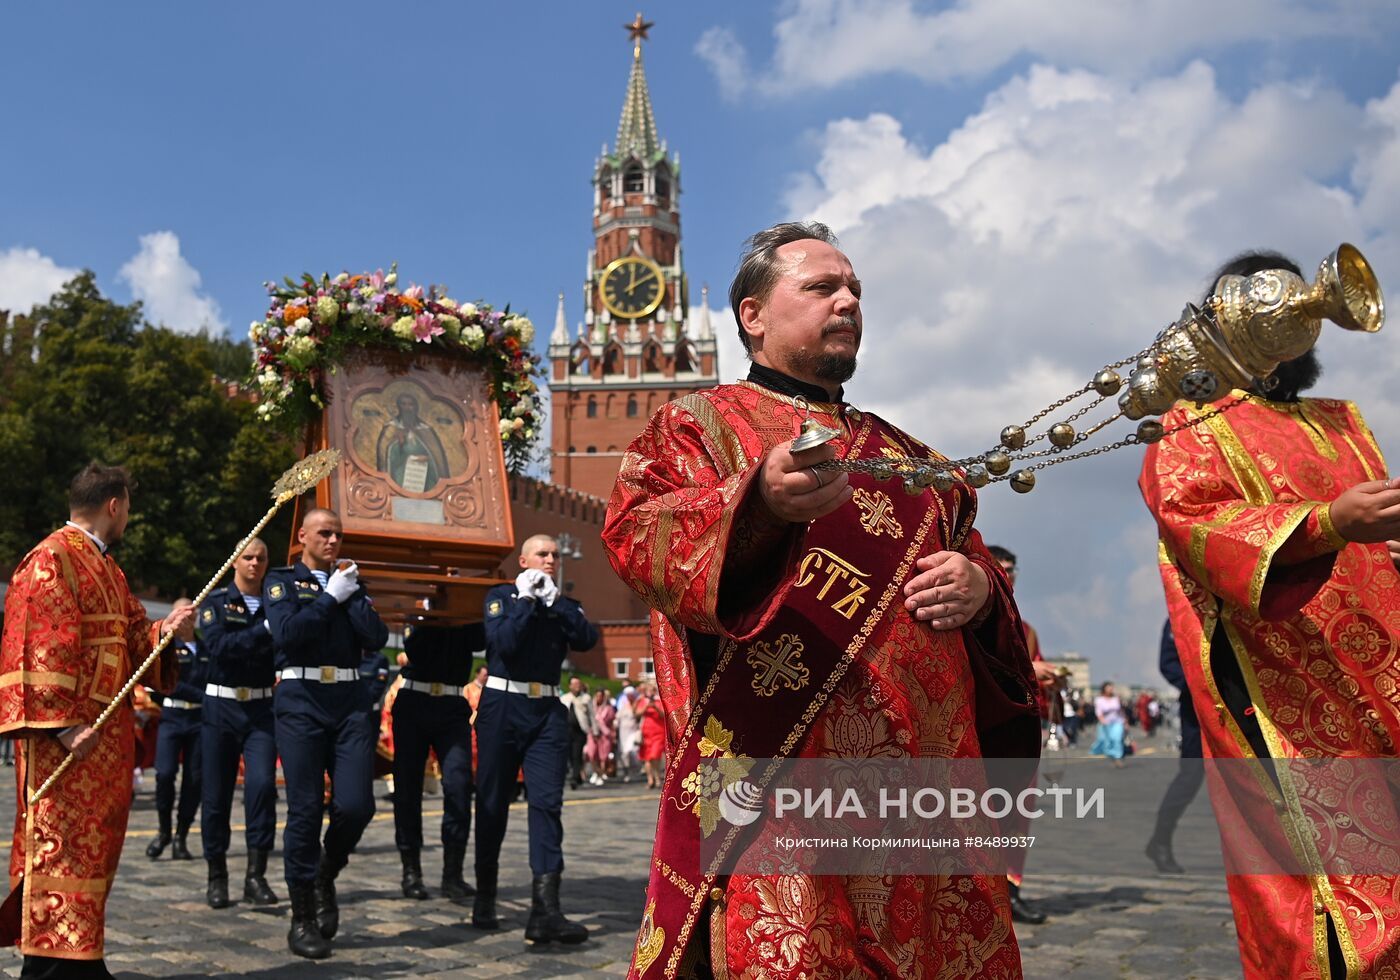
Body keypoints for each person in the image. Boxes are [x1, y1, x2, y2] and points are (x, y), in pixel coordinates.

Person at [602, 222, 1039, 977]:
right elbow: (638, 541)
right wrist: (757, 505)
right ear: (753, 315)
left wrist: (980, 591)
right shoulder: (697, 428)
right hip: (785, 787)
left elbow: (977, 577)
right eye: (821, 287)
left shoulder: (916, 459)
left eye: (855, 291)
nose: (847, 302)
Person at [1139, 250, 1400, 978]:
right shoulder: (1191, 423)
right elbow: (1199, 526)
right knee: (1344, 897)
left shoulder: (1343, 422)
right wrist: (1326, 523)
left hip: (1383, 671)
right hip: (1285, 690)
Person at [0, 462, 192, 979]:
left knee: (94, 851)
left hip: (104, 743)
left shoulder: (109, 569)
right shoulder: (52, 558)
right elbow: (36, 647)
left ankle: (82, 958)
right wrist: (63, 728)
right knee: (59, 851)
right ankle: (49, 967)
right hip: (68, 743)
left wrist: (165, 633)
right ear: (115, 505)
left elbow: (133, 646)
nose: (128, 515)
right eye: (128, 507)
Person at [265, 508, 388, 960]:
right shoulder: (280, 582)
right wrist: (328, 599)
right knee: (304, 808)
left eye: (338, 534)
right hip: (301, 698)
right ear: (302, 537)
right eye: (324, 533)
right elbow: (288, 634)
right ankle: (302, 915)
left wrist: (348, 593)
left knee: (357, 804)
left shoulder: (351, 583)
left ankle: (325, 871)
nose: (334, 540)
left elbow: (377, 636)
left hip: (350, 700)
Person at [475, 534, 599, 943]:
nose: (550, 560)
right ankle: (486, 895)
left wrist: (553, 602)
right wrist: (526, 601)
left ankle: (545, 910)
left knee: (547, 804)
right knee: (492, 802)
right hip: (502, 707)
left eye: (555, 555)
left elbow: (584, 638)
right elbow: (503, 644)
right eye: (542, 554)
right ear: (523, 560)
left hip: (546, 711)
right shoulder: (502, 597)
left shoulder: (561, 604)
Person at [198, 537, 279, 910]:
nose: (255, 564)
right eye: (248, 557)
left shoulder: (277, 603)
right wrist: (262, 632)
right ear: (235, 561)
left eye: (261, 558)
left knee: (262, 787)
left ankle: (255, 875)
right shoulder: (216, 604)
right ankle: (217, 875)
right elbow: (218, 648)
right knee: (216, 796)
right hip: (221, 709)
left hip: (261, 708)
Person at [391, 622, 481, 906]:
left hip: (452, 705)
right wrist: (434, 615)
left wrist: (461, 612)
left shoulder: (465, 611)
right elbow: (415, 647)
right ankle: (411, 871)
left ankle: (452, 873)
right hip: (414, 701)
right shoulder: (418, 608)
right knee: (408, 790)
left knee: (458, 785)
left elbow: (481, 639)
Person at [986, 544, 1050, 925]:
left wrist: (1045, 677)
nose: (1008, 575)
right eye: (1002, 568)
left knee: (1018, 816)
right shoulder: (971, 618)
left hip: (1019, 734)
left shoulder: (1025, 629)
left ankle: (1012, 891)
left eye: (1013, 569)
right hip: (983, 733)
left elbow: (1034, 674)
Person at [145, 597, 208, 862]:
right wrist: (206, 695)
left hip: (199, 721)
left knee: (194, 780)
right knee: (165, 773)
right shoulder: (167, 648)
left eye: (190, 613)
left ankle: (181, 835)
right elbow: (168, 684)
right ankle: (164, 831)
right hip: (173, 716)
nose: (186, 618)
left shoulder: (207, 648)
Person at [1145, 619, 1201, 875]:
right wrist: (1199, 688)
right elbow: (1168, 663)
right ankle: (1160, 840)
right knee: (1189, 778)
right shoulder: (1180, 615)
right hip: (1197, 708)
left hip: (1237, 706)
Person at [560, 676, 598, 790]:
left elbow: (592, 715)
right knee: (570, 755)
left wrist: (595, 731)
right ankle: (578, 776)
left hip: (580, 731)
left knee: (577, 754)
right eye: (574, 684)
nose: (577, 686)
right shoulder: (564, 698)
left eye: (579, 684)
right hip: (566, 730)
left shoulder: (586, 698)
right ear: (570, 686)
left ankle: (574, 778)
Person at [634, 680, 666, 790]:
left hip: (658, 733)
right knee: (647, 758)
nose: (651, 692)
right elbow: (637, 714)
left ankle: (657, 778)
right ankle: (651, 779)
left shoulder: (659, 701)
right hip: (646, 734)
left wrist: (655, 707)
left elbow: (664, 715)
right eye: (649, 690)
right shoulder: (643, 701)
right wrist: (646, 706)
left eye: (653, 690)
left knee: (655, 756)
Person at [1090, 681, 1126, 766]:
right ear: (1104, 689)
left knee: (1117, 739)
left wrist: (1125, 721)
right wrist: (1102, 720)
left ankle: (1118, 757)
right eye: (1109, 687)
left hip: (1118, 722)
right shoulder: (1099, 700)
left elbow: (1120, 710)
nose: (1111, 689)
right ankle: (1112, 755)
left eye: (1112, 687)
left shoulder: (1116, 699)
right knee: (1107, 742)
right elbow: (1098, 712)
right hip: (1106, 723)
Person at [586, 688, 616, 783]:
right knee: (591, 754)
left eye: (601, 696)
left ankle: (601, 774)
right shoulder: (591, 707)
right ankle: (597, 772)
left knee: (603, 756)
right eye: (597, 696)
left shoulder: (608, 708)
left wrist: (613, 734)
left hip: (604, 734)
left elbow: (611, 722)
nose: (599, 698)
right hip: (593, 733)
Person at [613, 685, 640, 783]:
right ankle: (627, 772)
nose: (629, 697)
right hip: (623, 732)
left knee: (631, 751)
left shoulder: (637, 704)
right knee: (624, 753)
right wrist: (615, 725)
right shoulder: (623, 705)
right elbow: (617, 717)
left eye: (631, 695)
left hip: (633, 731)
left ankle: (634, 769)